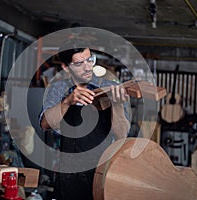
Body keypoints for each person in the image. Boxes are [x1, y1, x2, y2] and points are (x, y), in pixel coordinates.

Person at [39, 38, 131, 200]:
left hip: (101, 171)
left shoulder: (108, 87)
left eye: (90, 60)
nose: (88, 67)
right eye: (79, 64)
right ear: (66, 68)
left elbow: (121, 135)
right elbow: (45, 124)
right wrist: (67, 101)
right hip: (68, 173)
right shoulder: (58, 89)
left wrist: (116, 105)